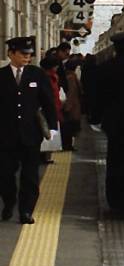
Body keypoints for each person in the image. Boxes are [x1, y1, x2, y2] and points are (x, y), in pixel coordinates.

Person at [0, 36, 58, 223]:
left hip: (31, 134)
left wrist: (53, 127)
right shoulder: (1, 76)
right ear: (11, 54)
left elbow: (48, 102)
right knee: (5, 173)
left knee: (30, 175)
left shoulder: (37, 74)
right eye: (23, 54)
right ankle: (9, 202)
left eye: (30, 54)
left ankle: (26, 210)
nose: (28, 57)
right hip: (5, 135)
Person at [92, 32, 124, 212]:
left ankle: (114, 200)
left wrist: (96, 118)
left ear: (115, 47)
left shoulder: (105, 68)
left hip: (113, 122)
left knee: (114, 160)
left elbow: (97, 97)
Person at [38, 53, 63, 165]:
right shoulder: (44, 78)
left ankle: (46, 156)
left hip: (54, 108)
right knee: (45, 131)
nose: (57, 67)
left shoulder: (54, 77)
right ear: (52, 66)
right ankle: (43, 156)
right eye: (56, 65)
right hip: (47, 109)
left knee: (50, 132)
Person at [60, 57, 83, 151]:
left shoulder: (68, 76)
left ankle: (68, 145)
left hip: (72, 106)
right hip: (72, 107)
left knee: (68, 128)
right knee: (69, 127)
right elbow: (71, 93)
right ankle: (67, 145)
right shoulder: (71, 77)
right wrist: (68, 107)